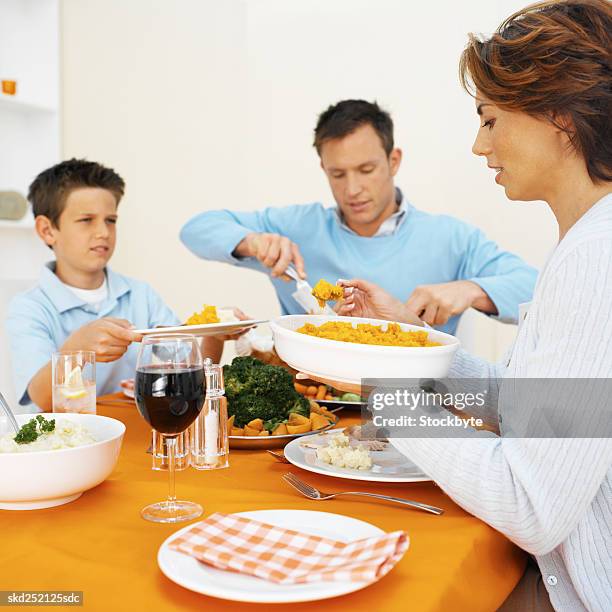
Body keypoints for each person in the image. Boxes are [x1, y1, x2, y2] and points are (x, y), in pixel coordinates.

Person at [337, 1, 612, 610]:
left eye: (490, 120)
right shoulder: (587, 242)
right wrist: (410, 339)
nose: (478, 145)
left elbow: (530, 505)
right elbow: (530, 408)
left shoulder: (598, 259)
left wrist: (389, 399)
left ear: (558, 115)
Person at [179, 99, 538, 335]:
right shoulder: (296, 228)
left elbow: (536, 288)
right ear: (323, 168)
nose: (352, 189)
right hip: (312, 406)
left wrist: (471, 289)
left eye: (366, 169)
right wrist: (251, 242)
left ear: (393, 161)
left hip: (414, 410)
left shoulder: (452, 238)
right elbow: (196, 229)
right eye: (338, 174)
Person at [6, 159, 245, 412]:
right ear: (47, 230)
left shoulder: (141, 295)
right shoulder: (29, 308)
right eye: (87, 220)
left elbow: (190, 373)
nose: (103, 232)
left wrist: (214, 334)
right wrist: (76, 349)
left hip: (130, 437)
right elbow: (42, 399)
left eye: (110, 220)